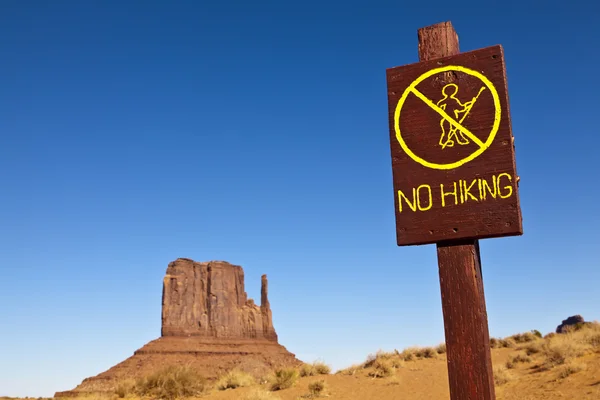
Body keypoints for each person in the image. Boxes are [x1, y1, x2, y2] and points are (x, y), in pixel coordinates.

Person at [436, 84, 476, 148]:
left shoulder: (446, 101)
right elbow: (461, 108)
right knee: (450, 130)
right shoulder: (451, 100)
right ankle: (446, 141)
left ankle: (457, 140)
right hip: (449, 118)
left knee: (453, 130)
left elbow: (460, 108)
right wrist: (469, 104)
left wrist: (470, 103)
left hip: (451, 118)